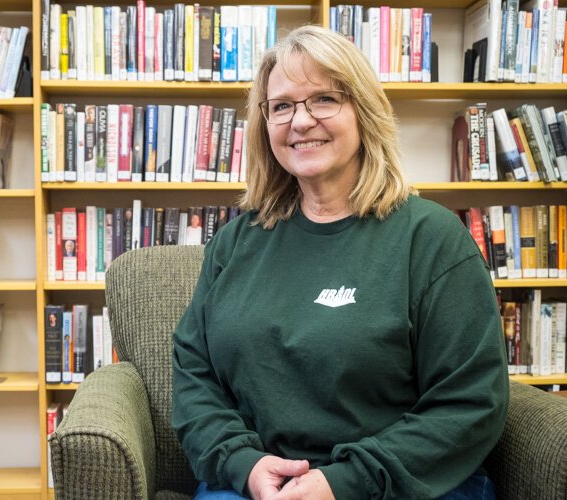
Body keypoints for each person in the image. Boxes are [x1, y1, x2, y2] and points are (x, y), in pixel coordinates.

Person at [171, 25, 508, 500]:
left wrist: (343, 482)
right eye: (282, 106)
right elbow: (194, 373)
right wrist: (243, 463)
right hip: (257, 484)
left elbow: (471, 401)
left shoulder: (431, 239)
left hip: (397, 484)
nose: (300, 121)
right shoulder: (234, 243)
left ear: (363, 112)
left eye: (324, 99)